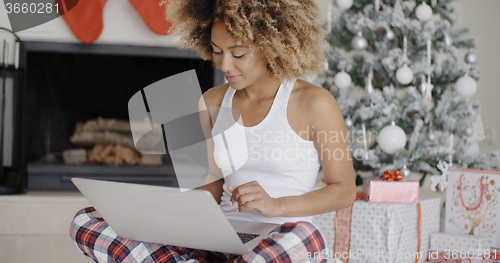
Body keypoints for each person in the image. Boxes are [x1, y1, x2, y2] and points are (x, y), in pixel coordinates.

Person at [69, 0, 357, 262]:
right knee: (88, 221)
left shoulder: (315, 103)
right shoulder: (211, 102)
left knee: (306, 238)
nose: (224, 64)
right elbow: (211, 182)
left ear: (272, 45)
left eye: (238, 53)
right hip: (220, 239)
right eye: (217, 51)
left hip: (281, 237)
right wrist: (176, 214)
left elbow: (344, 191)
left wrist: (275, 205)